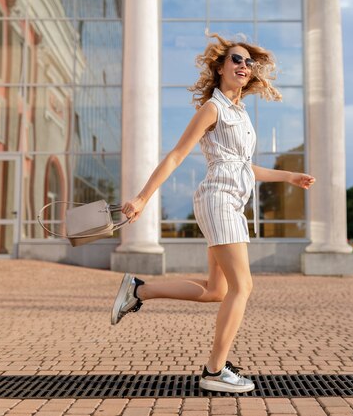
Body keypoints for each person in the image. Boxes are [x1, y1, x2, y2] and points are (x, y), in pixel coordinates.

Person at [111, 33, 316, 393]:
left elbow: (244, 166)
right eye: (236, 60)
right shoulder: (213, 108)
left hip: (231, 202)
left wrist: (289, 176)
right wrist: (143, 198)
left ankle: (138, 291)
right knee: (244, 286)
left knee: (217, 291)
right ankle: (214, 371)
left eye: (248, 62)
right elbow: (176, 155)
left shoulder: (240, 112)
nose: (243, 66)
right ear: (220, 68)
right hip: (218, 199)